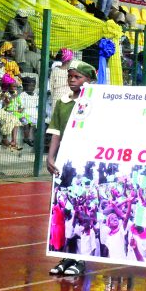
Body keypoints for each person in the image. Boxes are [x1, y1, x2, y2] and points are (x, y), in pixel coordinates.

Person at [47, 60, 97, 276]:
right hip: (66, 163)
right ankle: (67, 256)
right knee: (65, 211)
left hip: (85, 164)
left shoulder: (96, 102)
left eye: (77, 77)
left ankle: (81, 259)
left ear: (89, 80)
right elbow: (56, 132)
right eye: (70, 77)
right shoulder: (63, 101)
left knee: (83, 211)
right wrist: (50, 157)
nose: (72, 81)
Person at [0, 74, 21, 149]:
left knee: (15, 119)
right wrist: (5, 96)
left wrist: (8, 98)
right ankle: (4, 138)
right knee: (10, 118)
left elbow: (6, 102)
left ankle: (13, 141)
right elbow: (1, 97)